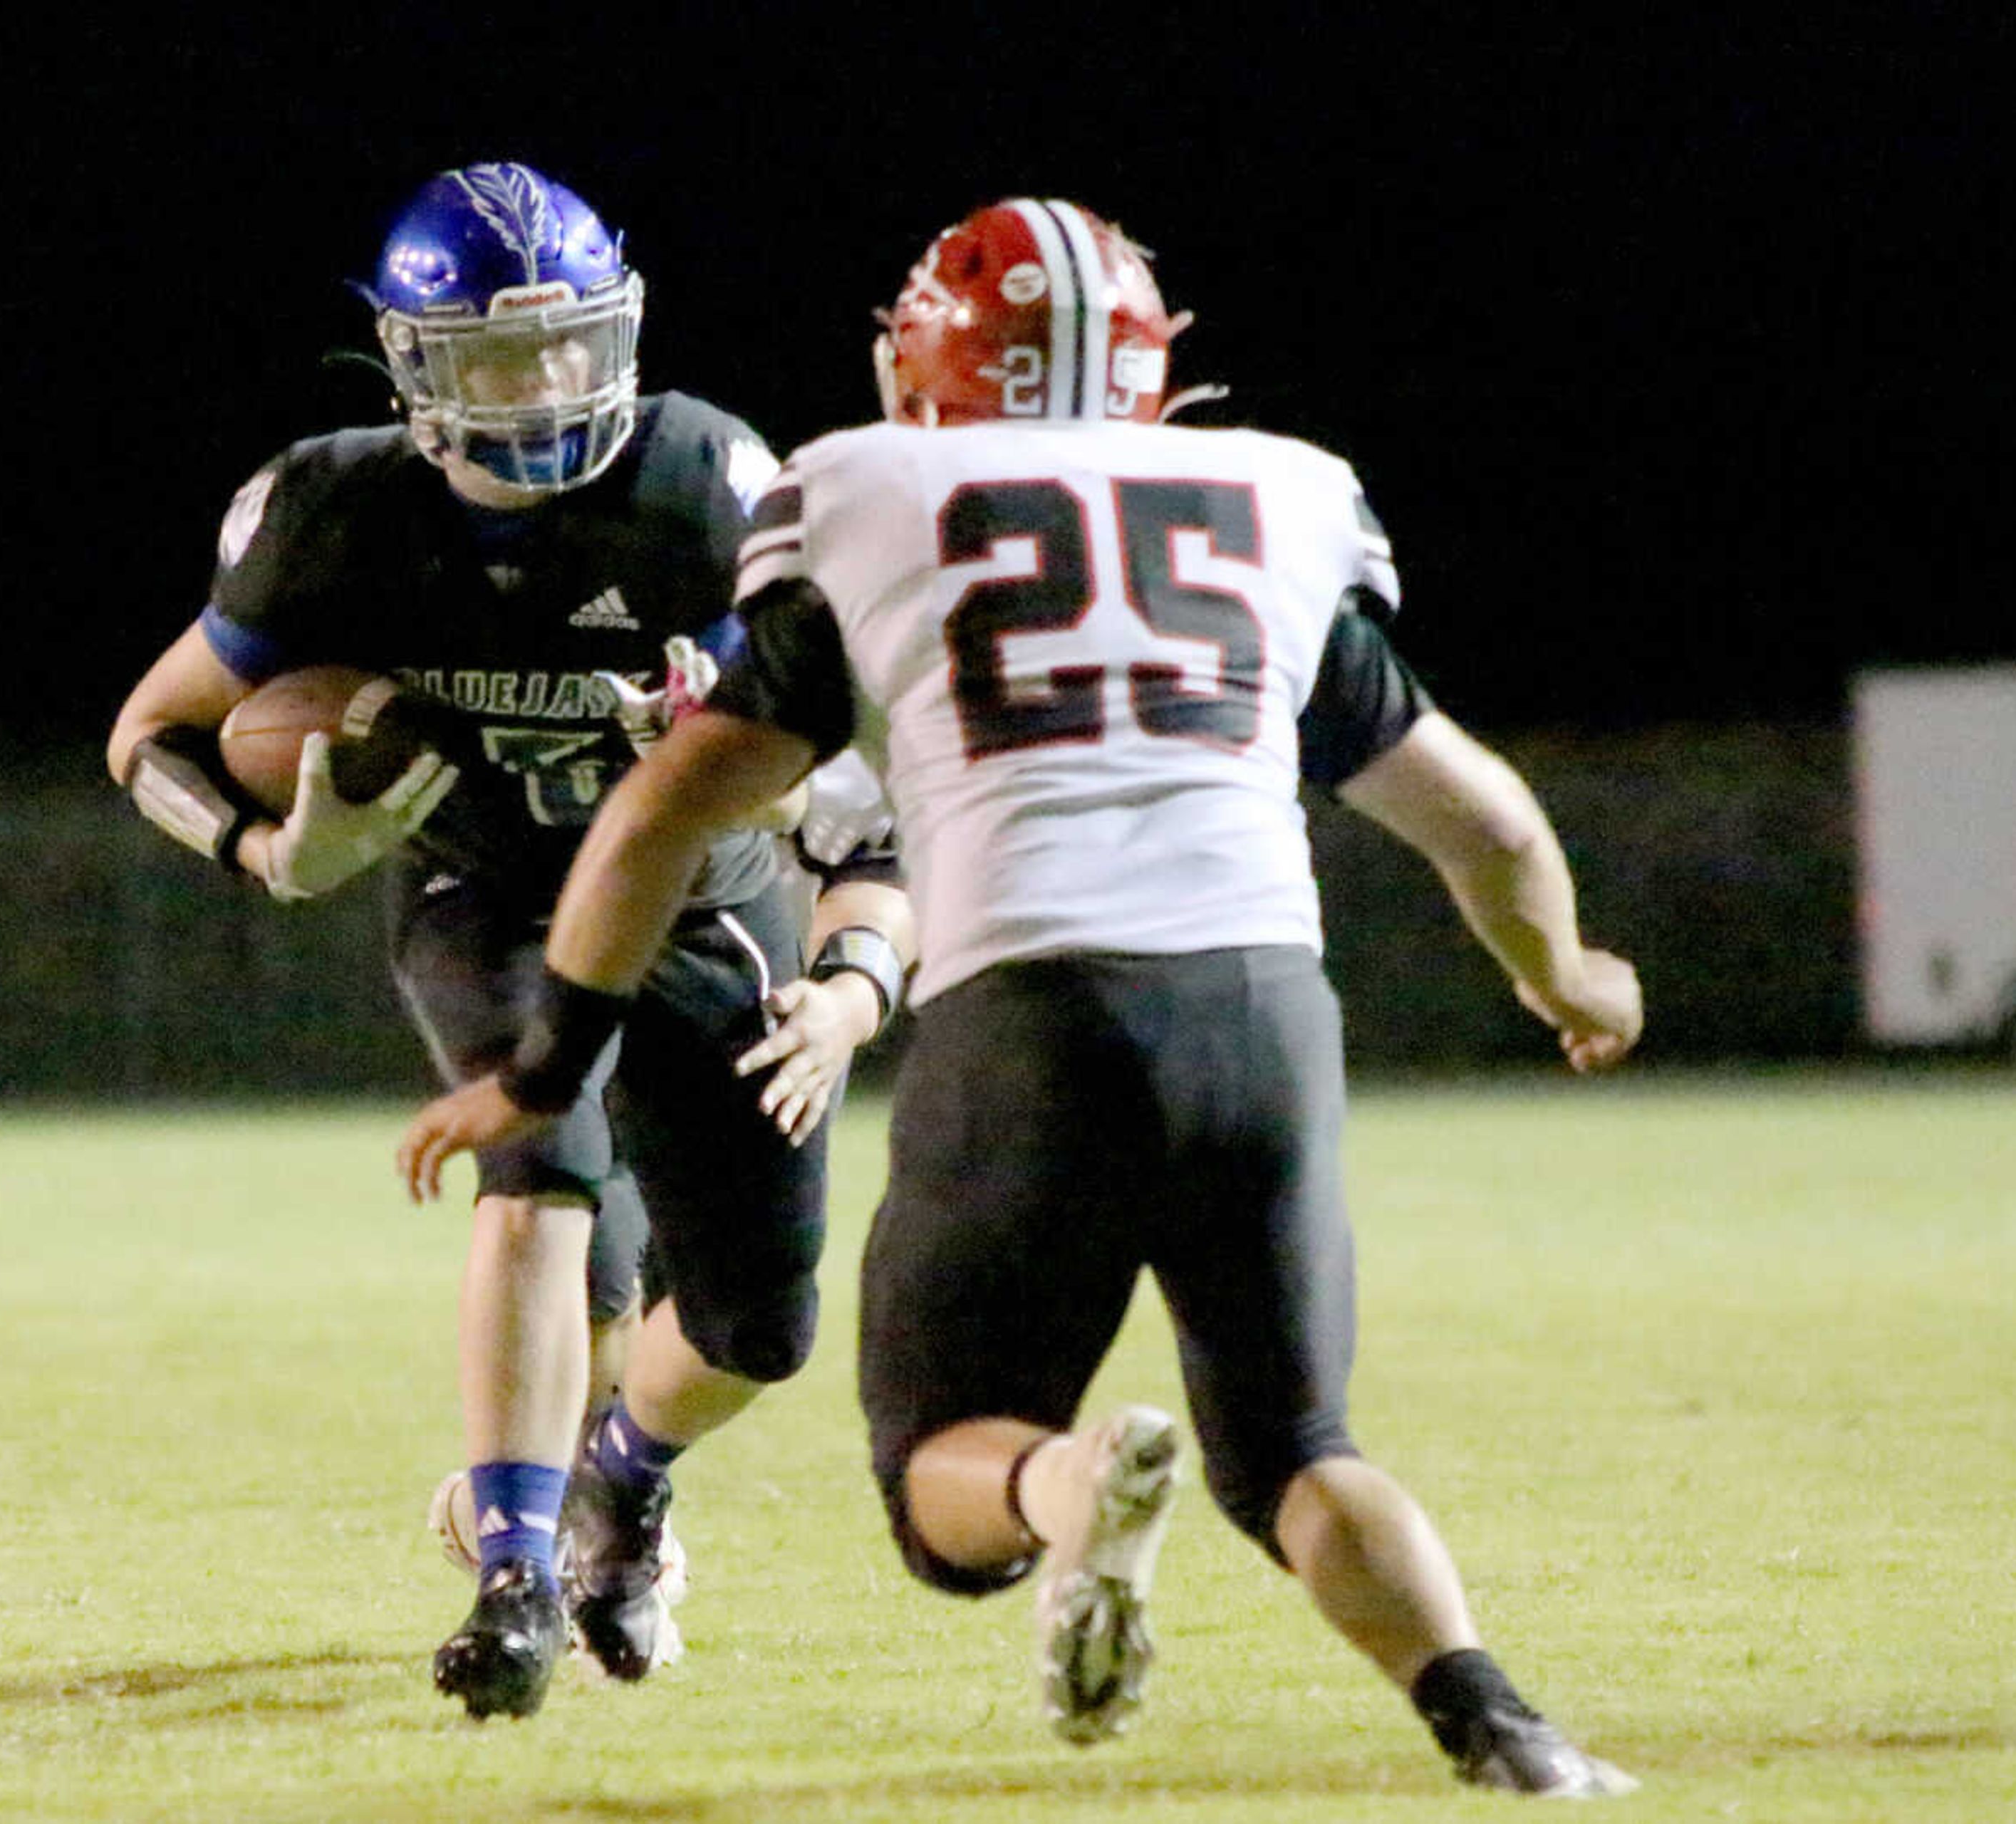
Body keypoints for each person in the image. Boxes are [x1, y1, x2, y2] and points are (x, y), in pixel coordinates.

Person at [399, 198, 1641, 1795]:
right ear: (1150, 366)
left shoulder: (866, 491)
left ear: (926, 362)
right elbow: (1490, 823)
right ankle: (1500, 1724)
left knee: (942, 1475)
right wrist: (1571, 978)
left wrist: (548, 1062)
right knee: (1302, 1455)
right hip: (1266, 1014)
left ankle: (1070, 1496)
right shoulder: (1279, 497)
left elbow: (658, 816)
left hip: (1030, 1016)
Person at [105, 161, 913, 1722]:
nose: (543, 387)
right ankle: (518, 1570)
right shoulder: (335, 508)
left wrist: (850, 987)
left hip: (702, 890)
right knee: (543, 1183)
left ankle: (625, 1481)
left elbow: (864, 800)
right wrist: (269, 845)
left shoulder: (709, 489)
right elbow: (149, 733)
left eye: (566, 344)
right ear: (415, 367)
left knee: (755, 1327)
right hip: (488, 890)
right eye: (497, 358)